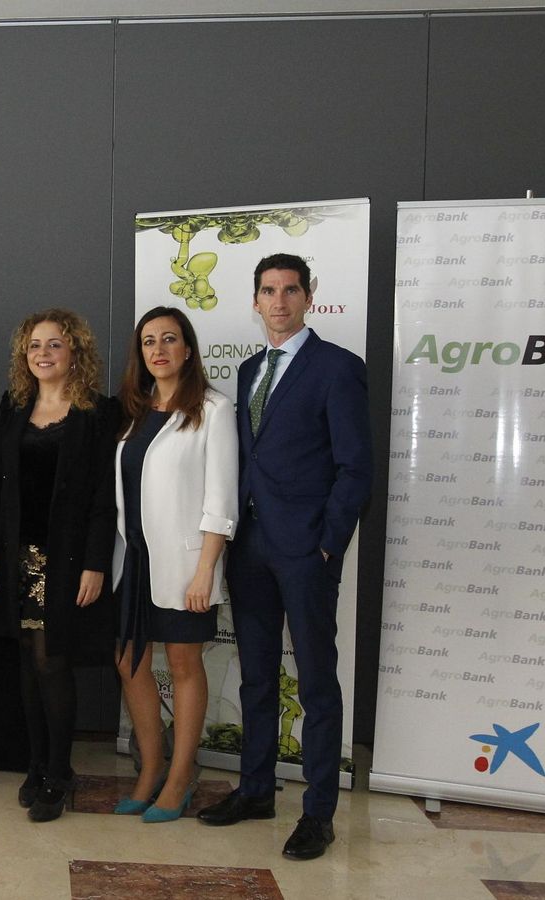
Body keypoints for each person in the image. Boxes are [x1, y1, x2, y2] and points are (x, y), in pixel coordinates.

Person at [196, 254, 371, 861]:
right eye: (268, 291)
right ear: (255, 299)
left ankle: (318, 813)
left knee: (318, 682)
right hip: (249, 549)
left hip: (305, 551)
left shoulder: (337, 369)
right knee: (255, 677)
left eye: (290, 290)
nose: (279, 302)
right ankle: (255, 790)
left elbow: (355, 466)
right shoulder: (247, 372)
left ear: (309, 297)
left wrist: (327, 542)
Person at [0, 309, 116, 822]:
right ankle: (35, 764)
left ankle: (59, 771)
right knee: (28, 665)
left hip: (68, 561)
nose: (44, 354)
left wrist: (97, 564)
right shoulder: (12, 408)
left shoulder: (99, 413)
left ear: (74, 351)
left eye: (55, 345)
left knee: (53, 661)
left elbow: (105, 497)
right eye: (35, 346)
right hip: (19, 559)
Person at [110, 306, 237, 824]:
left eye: (169, 339)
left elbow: (221, 499)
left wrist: (206, 569)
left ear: (188, 349)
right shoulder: (134, 412)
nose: (158, 349)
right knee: (128, 661)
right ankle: (151, 768)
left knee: (184, 666)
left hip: (186, 564)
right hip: (133, 559)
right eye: (148, 341)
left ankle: (182, 776)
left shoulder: (214, 409)